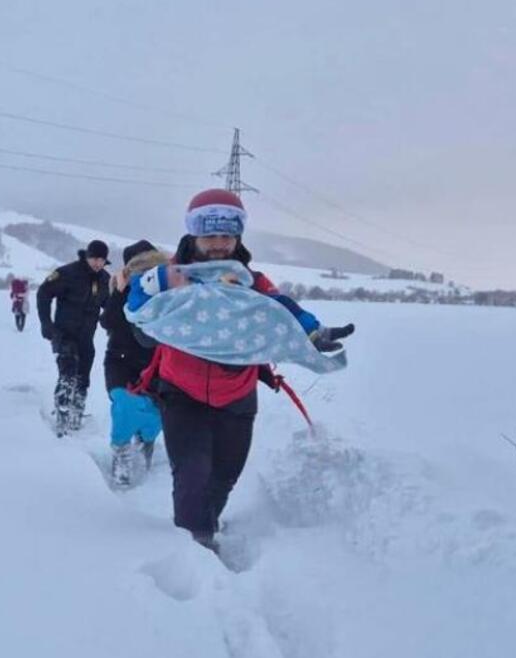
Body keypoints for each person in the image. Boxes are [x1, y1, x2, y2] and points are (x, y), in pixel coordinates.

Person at [129, 189, 354, 549]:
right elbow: (137, 300)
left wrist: (313, 331)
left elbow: (284, 309)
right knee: (191, 475)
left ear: (238, 236)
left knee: (224, 475)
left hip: (237, 396)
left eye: (227, 235)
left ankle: (209, 523)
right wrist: (146, 323)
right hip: (181, 392)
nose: (219, 244)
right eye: (210, 235)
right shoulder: (170, 276)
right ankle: (194, 548)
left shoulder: (252, 283)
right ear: (193, 234)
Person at [99, 240, 169, 486]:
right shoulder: (121, 288)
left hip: (157, 363)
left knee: (156, 412)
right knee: (125, 406)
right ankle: (121, 452)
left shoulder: (167, 288)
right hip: (121, 360)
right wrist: (119, 292)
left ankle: (145, 443)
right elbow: (108, 322)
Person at [36, 240, 111, 436]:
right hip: (64, 335)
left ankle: (76, 415)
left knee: (83, 379)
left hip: (87, 337)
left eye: (101, 260)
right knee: (68, 375)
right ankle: (61, 418)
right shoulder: (67, 273)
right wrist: (46, 323)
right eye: (94, 258)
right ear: (87, 256)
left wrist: (111, 323)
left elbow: (110, 306)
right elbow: (43, 292)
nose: (97, 263)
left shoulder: (105, 280)